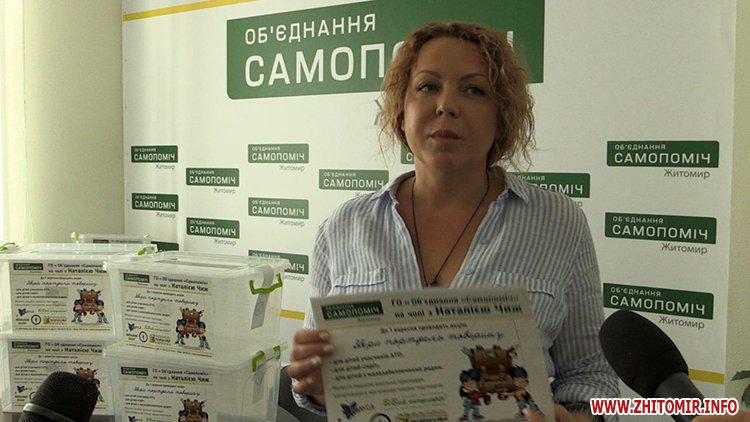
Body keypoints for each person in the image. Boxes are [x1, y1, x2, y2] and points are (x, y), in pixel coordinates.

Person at [287, 21, 619, 422]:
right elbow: (317, 387)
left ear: (502, 116)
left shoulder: (559, 222)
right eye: (427, 86)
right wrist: (316, 386)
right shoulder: (341, 228)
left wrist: (579, 419)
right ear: (401, 111)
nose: (446, 105)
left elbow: (591, 377)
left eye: (474, 90)